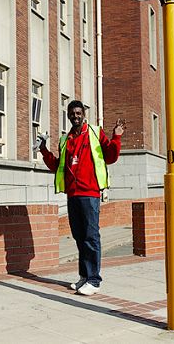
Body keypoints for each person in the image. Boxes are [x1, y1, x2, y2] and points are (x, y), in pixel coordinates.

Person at [40, 100, 125, 296]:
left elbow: (111, 157)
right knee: (79, 237)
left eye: (78, 113)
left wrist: (116, 137)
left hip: (90, 194)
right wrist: (44, 150)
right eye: (72, 113)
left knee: (91, 237)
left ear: (83, 114)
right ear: (68, 115)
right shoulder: (65, 139)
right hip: (73, 195)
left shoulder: (95, 132)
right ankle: (84, 277)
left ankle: (94, 280)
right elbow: (56, 166)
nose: (75, 116)